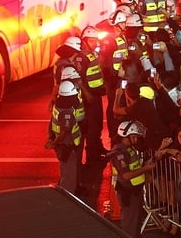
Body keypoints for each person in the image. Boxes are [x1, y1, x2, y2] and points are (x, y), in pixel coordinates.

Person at [108, 120, 155, 238]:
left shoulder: (129, 148)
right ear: (125, 136)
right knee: (130, 226)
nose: (136, 140)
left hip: (135, 192)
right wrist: (145, 169)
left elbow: (135, 167)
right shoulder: (120, 152)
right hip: (127, 193)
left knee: (136, 224)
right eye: (134, 137)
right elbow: (126, 175)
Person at [45, 69, 85, 194]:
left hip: (63, 144)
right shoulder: (67, 111)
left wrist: (51, 139)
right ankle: (67, 199)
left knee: (66, 172)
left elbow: (51, 123)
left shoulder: (58, 104)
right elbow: (64, 131)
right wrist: (54, 142)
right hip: (67, 145)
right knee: (69, 176)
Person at [75, 25, 107, 165]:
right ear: (85, 41)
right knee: (92, 127)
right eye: (93, 40)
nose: (96, 43)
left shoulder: (92, 54)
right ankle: (92, 158)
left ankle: (97, 149)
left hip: (96, 95)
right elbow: (79, 78)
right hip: (89, 97)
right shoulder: (81, 57)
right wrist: (87, 94)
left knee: (98, 124)